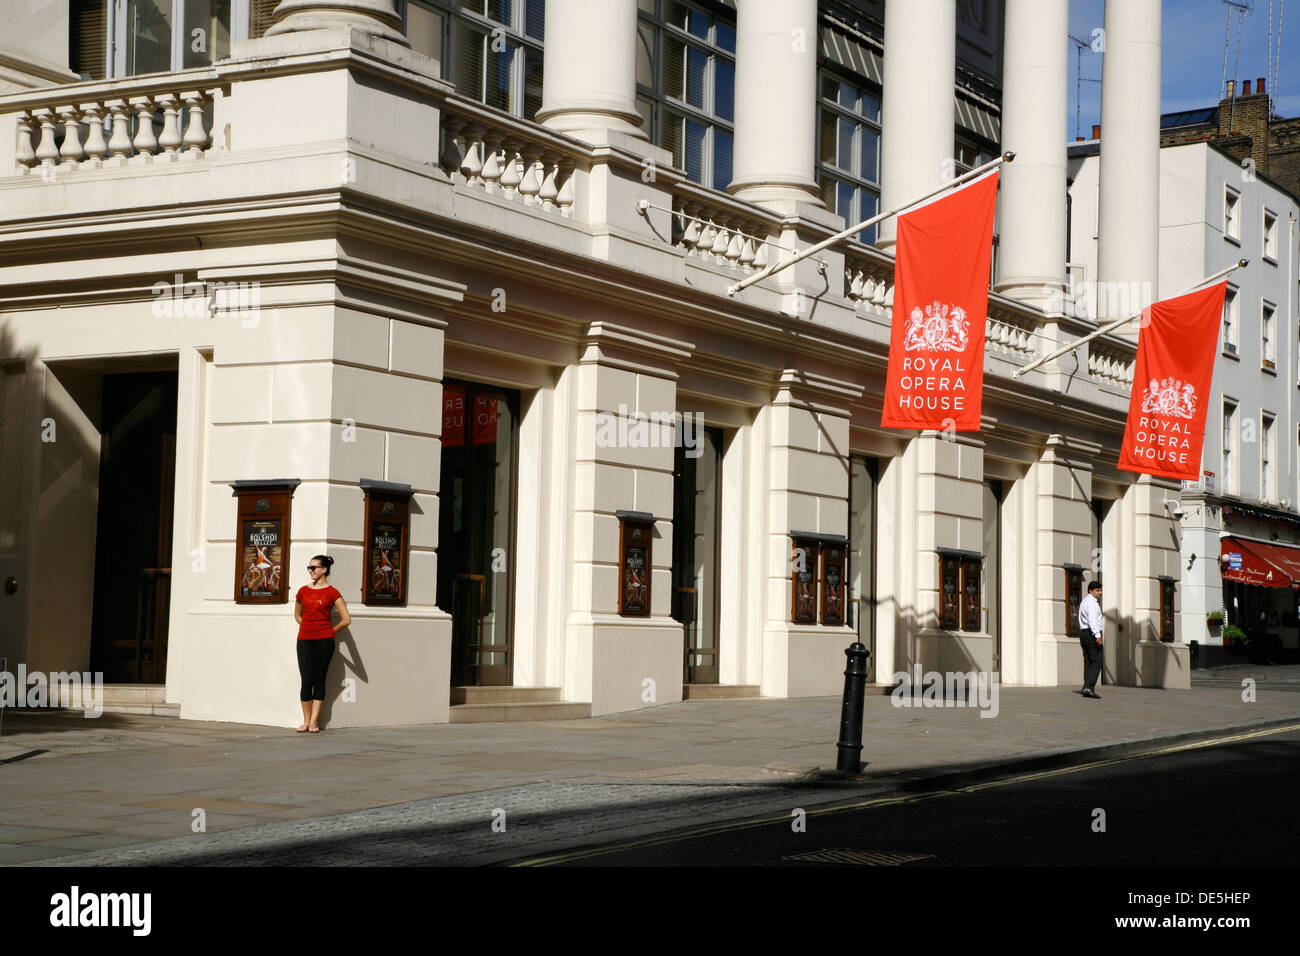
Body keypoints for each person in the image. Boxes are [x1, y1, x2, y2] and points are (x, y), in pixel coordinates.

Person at [293, 555, 351, 732]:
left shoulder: (332, 592)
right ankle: (305, 720)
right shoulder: (303, 591)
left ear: (324, 569)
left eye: (313, 568)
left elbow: (346, 619)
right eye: (308, 568)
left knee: (319, 679)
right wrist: (308, 627)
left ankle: (314, 721)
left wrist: (328, 632)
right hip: (304, 640)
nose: (310, 571)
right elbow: (297, 615)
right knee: (306, 679)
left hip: (324, 642)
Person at [1078, 580, 1104, 699]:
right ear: (1090, 591)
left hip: (1084, 632)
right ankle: (1088, 687)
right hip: (1091, 633)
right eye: (1097, 590)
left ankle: (1087, 688)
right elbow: (1092, 620)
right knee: (1096, 661)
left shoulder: (1084, 601)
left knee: (1088, 660)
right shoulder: (1093, 603)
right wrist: (1097, 635)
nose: (1100, 593)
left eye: (1100, 590)